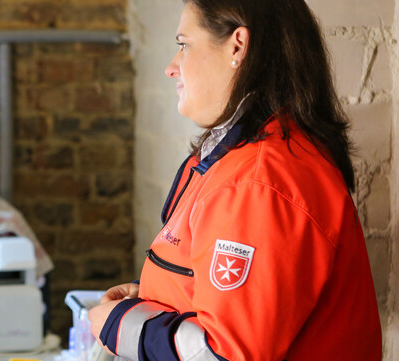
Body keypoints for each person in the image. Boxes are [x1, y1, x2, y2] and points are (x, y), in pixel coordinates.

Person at [88, 0, 382, 360]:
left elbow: (225, 353)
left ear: (237, 46)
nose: (171, 67)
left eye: (184, 44)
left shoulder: (260, 182)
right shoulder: (240, 159)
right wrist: (152, 295)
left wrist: (117, 324)